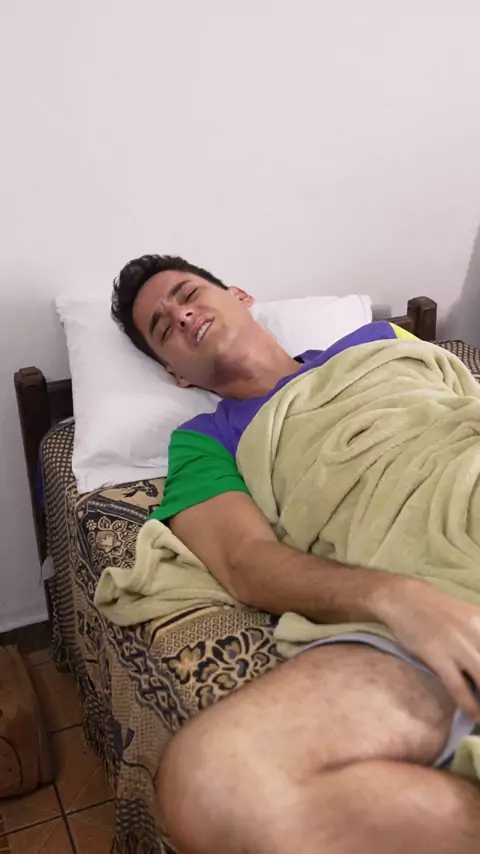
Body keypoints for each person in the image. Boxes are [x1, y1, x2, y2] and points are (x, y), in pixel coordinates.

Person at [112, 254, 480, 854]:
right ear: (174, 374)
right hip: (413, 596)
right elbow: (243, 561)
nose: (180, 315)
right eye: (161, 328)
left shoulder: (381, 341)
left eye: (187, 294)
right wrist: (397, 598)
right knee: (216, 782)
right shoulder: (204, 443)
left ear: (239, 295)